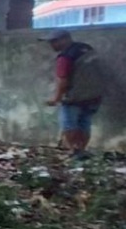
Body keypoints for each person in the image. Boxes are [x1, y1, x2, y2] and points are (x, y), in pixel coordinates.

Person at [42, 28, 102, 158]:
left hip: (74, 96)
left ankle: (75, 151)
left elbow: (62, 80)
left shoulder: (65, 57)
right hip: (94, 95)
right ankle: (82, 150)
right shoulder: (87, 49)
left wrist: (56, 99)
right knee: (85, 123)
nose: (52, 45)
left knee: (69, 124)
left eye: (54, 41)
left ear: (65, 39)